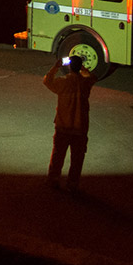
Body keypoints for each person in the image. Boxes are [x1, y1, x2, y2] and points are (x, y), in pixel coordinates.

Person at [43, 52, 97, 191]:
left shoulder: (63, 82)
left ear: (69, 67)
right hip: (80, 127)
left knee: (58, 155)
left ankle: (53, 179)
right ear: (80, 67)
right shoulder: (85, 83)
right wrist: (83, 68)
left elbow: (47, 81)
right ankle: (72, 183)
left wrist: (55, 67)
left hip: (63, 125)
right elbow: (93, 77)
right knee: (77, 158)